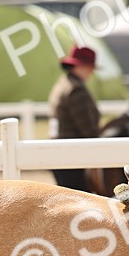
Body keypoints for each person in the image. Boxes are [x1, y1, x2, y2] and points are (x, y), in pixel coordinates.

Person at [48, 45, 101, 192]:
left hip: (58, 151)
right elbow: (88, 129)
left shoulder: (62, 84)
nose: (91, 72)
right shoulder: (77, 90)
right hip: (73, 154)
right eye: (90, 68)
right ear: (83, 66)